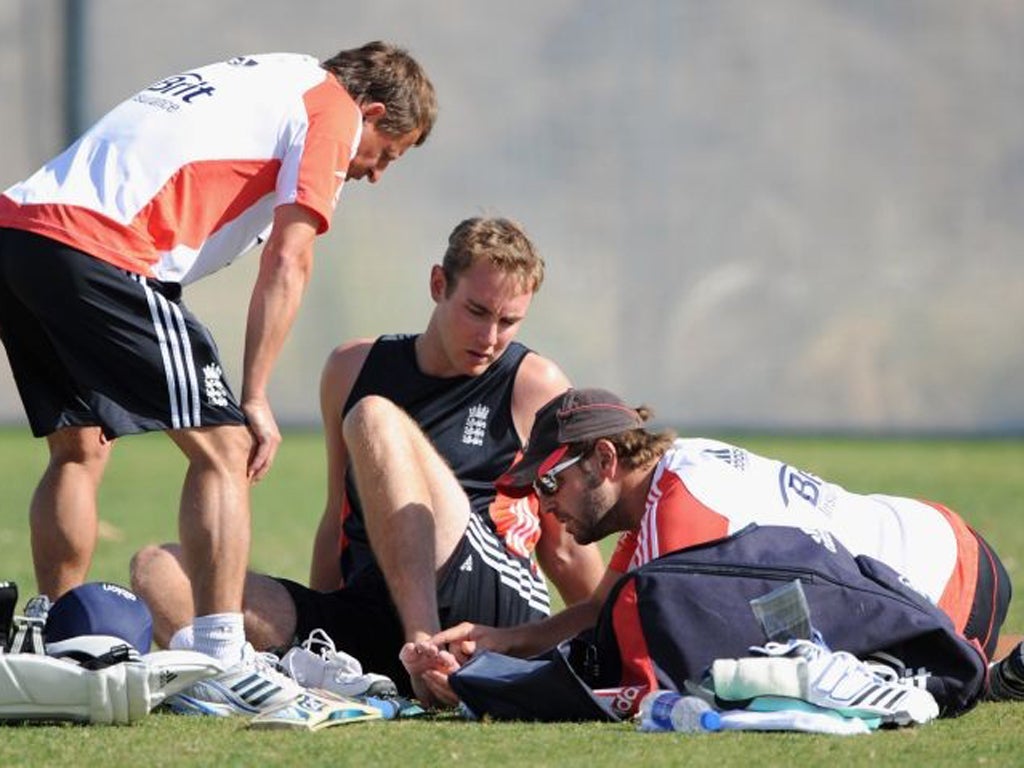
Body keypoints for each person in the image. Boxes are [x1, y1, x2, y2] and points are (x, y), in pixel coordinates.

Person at [0, 39, 436, 696]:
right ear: (371, 111)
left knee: (79, 447)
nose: (374, 173)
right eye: (387, 154)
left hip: (21, 233)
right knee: (227, 447)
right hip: (100, 249)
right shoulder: (334, 110)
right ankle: (223, 661)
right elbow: (289, 259)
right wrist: (255, 394)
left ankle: (58, 643)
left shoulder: (274, 72)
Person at [130, 217, 606, 710]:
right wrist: (317, 627)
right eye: (477, 311)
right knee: (159, 568)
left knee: (374, 416)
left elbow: (566, 550)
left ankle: (424, 648)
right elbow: (338, 515)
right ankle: (269, 680)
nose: (489, 336)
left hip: (483, 609)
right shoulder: (351, 367)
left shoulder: (536, 383)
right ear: (438, 285)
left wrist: (610, 633)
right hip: (371, 612)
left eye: (508, 322)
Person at [414, 387, 1023, 705]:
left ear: (604, 460)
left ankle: (988, 672)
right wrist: (501, 642)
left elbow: (639, 672)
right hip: (938, 541)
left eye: (551, 482)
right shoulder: (667, 484)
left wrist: (484, 684)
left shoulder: (681, 511)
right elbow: (600, 615)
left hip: (945, 584)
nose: (543, 504)